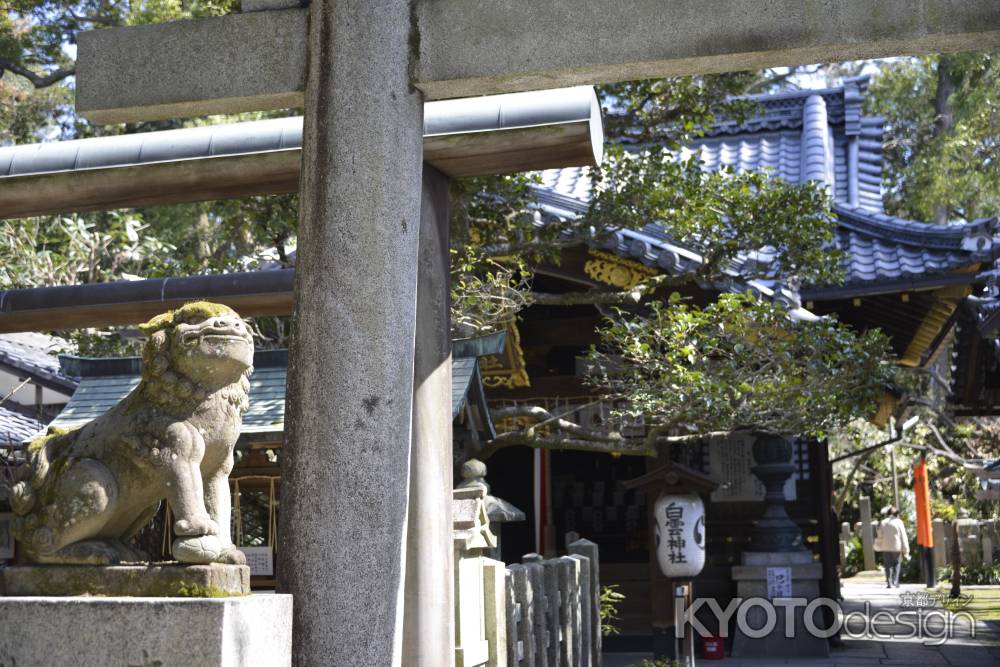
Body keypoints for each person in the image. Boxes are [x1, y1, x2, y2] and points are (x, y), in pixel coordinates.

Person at [874, 506, 909, 588]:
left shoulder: (883, 522)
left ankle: (889, 582)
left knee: (888, 565)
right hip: (896, 547)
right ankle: (895, 582)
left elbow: (879, 535)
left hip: (885, 547)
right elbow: (903, 536)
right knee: (896, 564)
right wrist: (906, 549)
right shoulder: (899, 522)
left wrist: (877, 546)